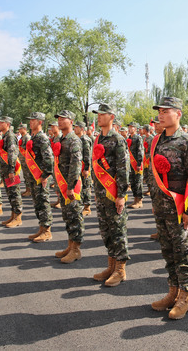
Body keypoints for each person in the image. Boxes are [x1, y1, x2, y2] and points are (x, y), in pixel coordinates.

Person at [149, 96, 188, 320]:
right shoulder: (157, 141)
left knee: (183, 253)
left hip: (180, 210)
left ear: (178, 114)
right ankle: (172, 292)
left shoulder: (187, 141)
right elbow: (153, 175)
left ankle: (185, 298)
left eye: (165, 111)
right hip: (161, 208)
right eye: (159, 111)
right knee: (168, 253)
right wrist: (154, 200)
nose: (161, 115)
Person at [90, 104, 131, 287]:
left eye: (102, 114)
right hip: (101, 193)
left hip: (114, 194)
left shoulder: (118, 139)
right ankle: (111, 265)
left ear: (111, 116)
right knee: (106, 231)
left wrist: (121, 195)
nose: (99, 117)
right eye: (98, 114)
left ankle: (120, 269)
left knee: (117, 231)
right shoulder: (98, 138)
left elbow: (123, 169)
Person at [52, 110, 85, 264]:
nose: (59, 121)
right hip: (62, 183)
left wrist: (70, 186)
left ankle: (76, 250)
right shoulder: (61, 138)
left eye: (62, 118)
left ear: (71, 121)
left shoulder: (74, 140)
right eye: (58, 118)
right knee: (67, 217)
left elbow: (76, 165)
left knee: (74, 216)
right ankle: (70, 246)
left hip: (71, 186)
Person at [24, 112, 54, 243]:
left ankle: (47, 231)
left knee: (43, 202)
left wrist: (45, 175)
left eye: (34, 120)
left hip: (40, 176)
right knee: (37, 203)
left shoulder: (42, 138)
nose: (31, 122)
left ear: (40, 122)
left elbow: (48, 158)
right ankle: (41, 228)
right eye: (30, 120)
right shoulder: (33, 136)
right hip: (33, 176)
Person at [0, 116, 23, 228]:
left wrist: (12, 170)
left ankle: (18, 217)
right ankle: (13, 215)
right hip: (6, 170)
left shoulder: (11, 137)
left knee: (14, 193)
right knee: (10, 194)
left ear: (7, 124)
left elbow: (12, 154)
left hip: (11, 170)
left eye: (1, 122)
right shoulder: (5, 136)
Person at [74, 121, 93, 216]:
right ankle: (82, 205)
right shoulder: (78, 138)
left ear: (82, 128)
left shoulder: (85, 139)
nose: (74, 128)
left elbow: (87, 155)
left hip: (84, 167)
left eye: (76, 127)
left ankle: (87, 207)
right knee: (81, 186)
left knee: (86, 187)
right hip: (79, 166)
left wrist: (86, 168)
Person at [126, 122, 144, 209]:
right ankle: (135, 199)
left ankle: (139, 201)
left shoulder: (138, 138)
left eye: (131, 127)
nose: (129, 129)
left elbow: (140, 151)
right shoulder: (128, 138)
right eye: (129, 127)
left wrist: (139, 163)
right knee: (132, 182)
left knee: (138, 182)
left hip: (136, 163)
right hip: (130, 164)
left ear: (135, 129)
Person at [18, 124, 33, 198]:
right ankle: (27, 189)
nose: (19, 130)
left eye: (20, 129)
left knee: (28, 175)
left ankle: (29, 190)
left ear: (24, 129)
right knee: (25, 175)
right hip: (23, 160)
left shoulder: (27, 137)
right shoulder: (22, 137)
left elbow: (29, 149)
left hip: (27, 160)